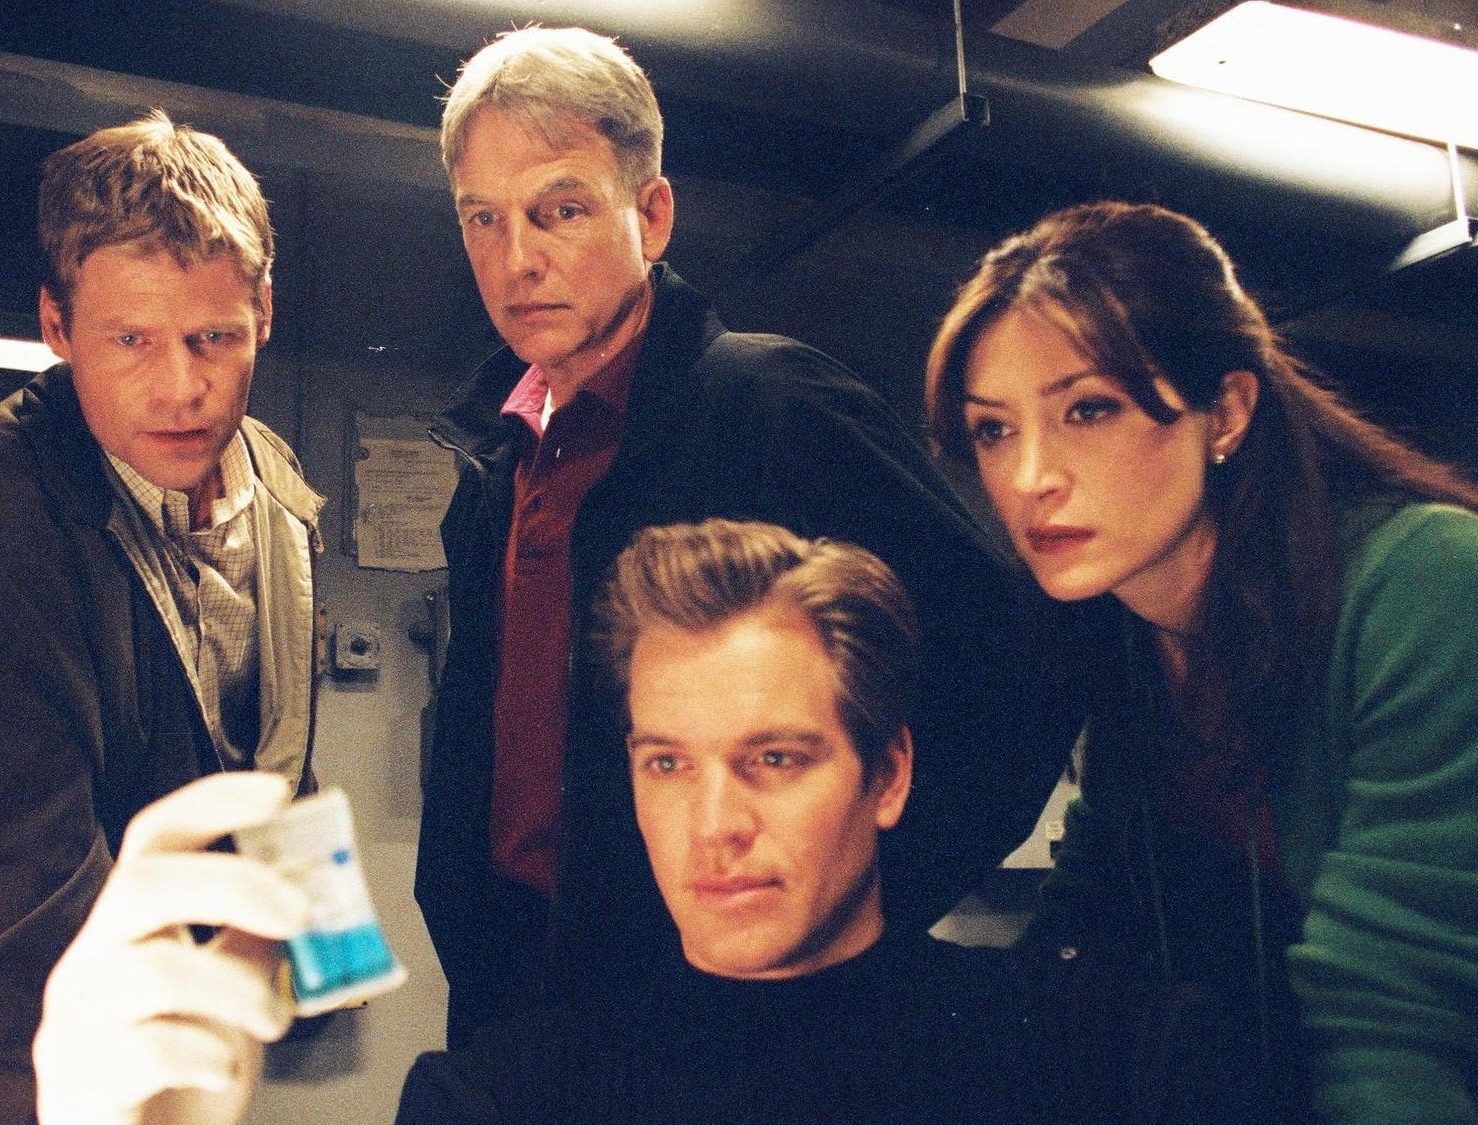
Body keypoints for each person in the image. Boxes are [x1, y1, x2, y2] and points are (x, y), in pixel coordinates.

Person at [419, 24, 1089, 1048]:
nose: (518, 259)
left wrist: (843, 921)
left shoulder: (773, 409)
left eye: (560, 209)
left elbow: (1017, 668)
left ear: (651, 215)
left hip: (733, 1010)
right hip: (513, 994)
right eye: (483, 218)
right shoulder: (495, 461)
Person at [34, 519, 1080, 1124]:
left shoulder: (1076, 1057)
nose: (713, 822)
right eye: (667, 763)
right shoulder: (501, 1101)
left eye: (773, 759)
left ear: (886, 774)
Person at [925, 200, 1478, 1123]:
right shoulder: (1129, 631)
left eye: (1088, 409)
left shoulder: (1431, 579)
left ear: (1225, 411)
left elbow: (1391, 1023)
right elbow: (1090, 927)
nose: (1029, 478)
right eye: (994, 430)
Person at [0, 110, 324, 1124]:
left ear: (264, 313)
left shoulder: (273, 480)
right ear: (55, 328)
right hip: (14, 1060)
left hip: (194, 1031)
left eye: (214, 337)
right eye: (131, 340)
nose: (183, 387)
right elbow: (13, 954)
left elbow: (276, 760)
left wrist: (318, 959)